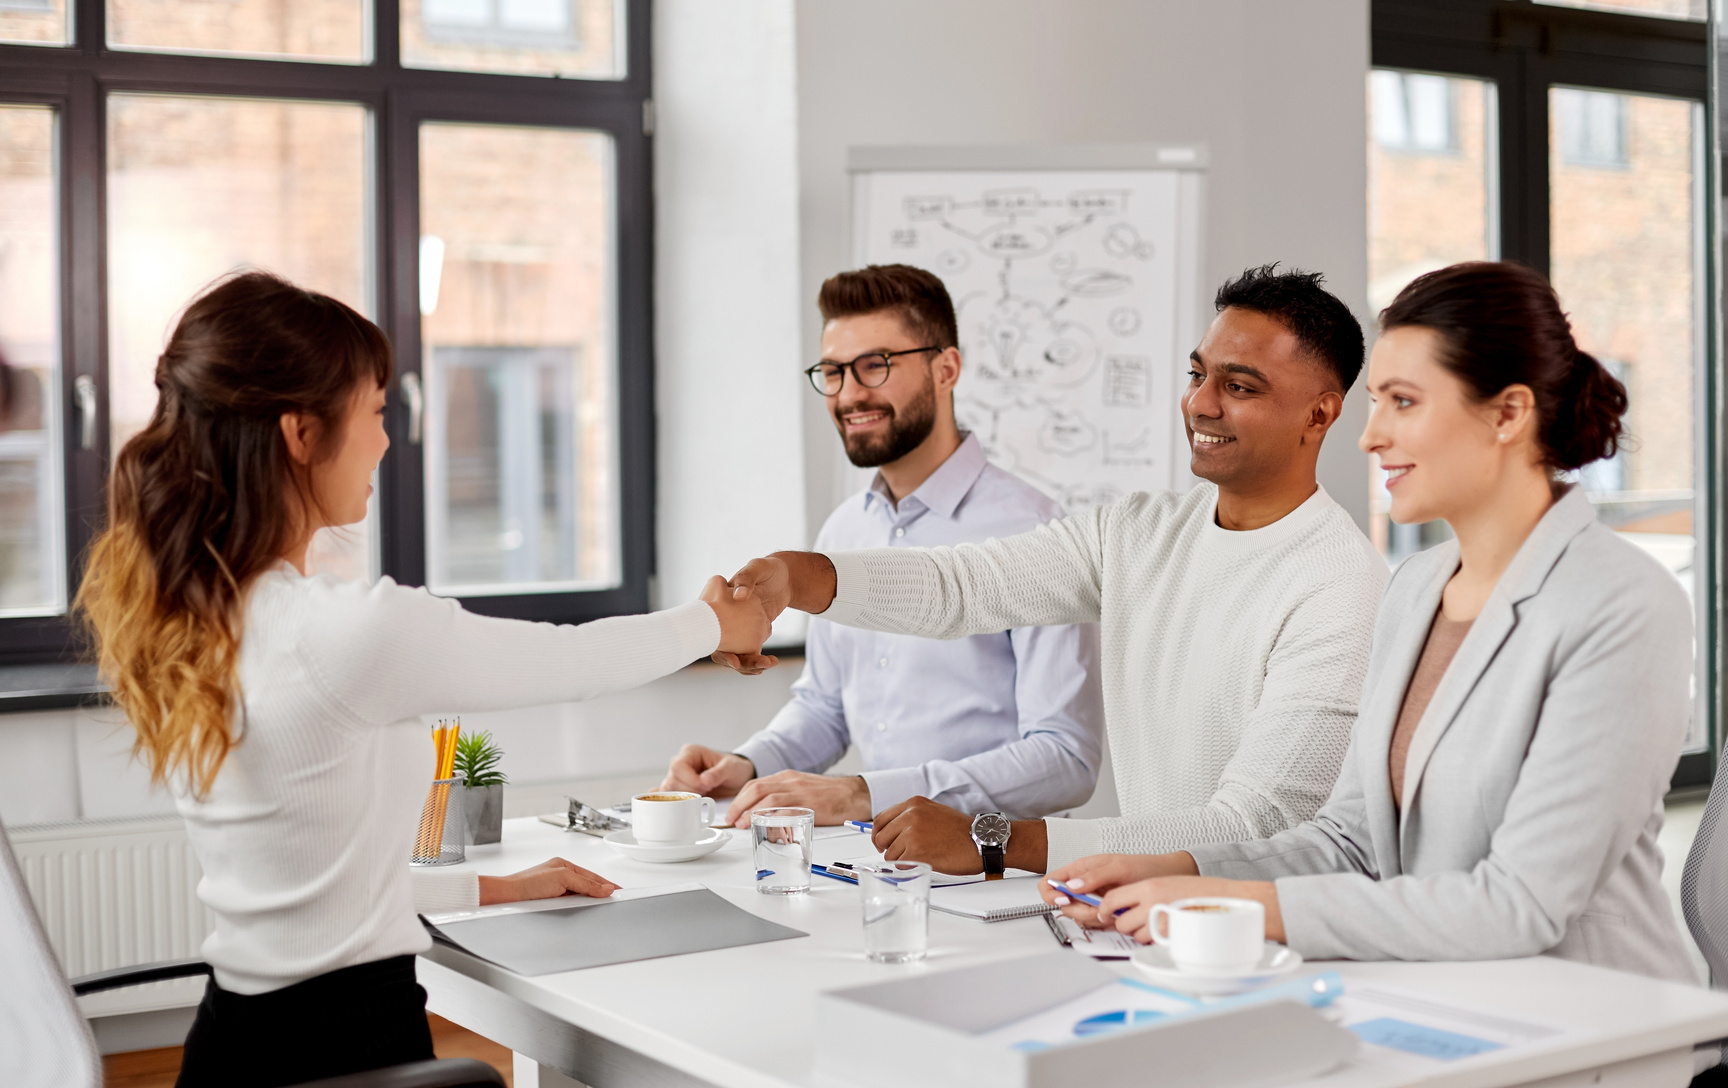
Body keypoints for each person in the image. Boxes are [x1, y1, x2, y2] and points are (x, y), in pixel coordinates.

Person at [74, 273, 773, 1087]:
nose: (385, 441)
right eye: (374, 412)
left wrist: (490, 887)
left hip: (235, 1045)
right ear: (301, 434)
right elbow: (568, 660)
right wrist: (715, 624)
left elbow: (304, 885)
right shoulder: (342, 630)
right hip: (346, 1045)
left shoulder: (196, 616)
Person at [1042, 261, 1696, 984]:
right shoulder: (1416, 588)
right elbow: (1349, 842)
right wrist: (1169, 869)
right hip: (1431, 990)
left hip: (1594, 1018)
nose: (1370, 435)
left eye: (1404, 403)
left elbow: (1519, 905)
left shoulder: (1622, 604)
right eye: (1377, 401)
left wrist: (1236, 902)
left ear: (1508, 414)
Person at [720, 265, 1388, 876]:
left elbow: (1252, 825)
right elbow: (962, 587)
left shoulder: (1338, 582)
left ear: (1320, 413)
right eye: (1197, 375)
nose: (1201, 404)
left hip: (1263, 933)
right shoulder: (1137, 531)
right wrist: (794, 577)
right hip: (1138, 906)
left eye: (1238, 386)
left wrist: (993, 839)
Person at [660, 265, 1104, 827]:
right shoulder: (844, 532)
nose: (849, 394)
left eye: (875, 366)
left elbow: (1066, 759)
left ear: (946, 369)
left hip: (996, 873)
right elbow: (827, 708)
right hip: (877, 864)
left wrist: (866, 794)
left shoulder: (1035, 529)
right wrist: (747, 765)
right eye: (833, 371)